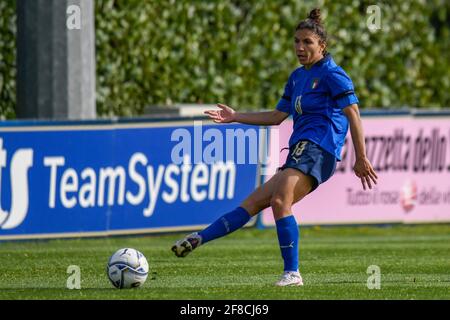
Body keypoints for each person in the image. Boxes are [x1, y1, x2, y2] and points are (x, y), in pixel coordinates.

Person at [171, 8, 378, 286]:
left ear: (322, 45)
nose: (300, 47)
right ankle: (199, 238)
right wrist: (235, 117)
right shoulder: (297, 77)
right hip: (300, 150)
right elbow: (277, 116)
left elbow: (353, 113)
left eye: (307, 42)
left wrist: (361, 157)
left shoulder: (333, 74)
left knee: (281, 202)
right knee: (253, 203)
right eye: (296, 41)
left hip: (318, 148)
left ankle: (292, 273)